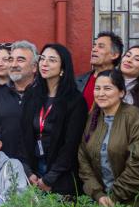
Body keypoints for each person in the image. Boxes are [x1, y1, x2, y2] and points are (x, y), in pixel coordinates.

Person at [77, 68, 139, 207]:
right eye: (97, 88)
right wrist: (98, 194)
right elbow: (83, 159)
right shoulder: (93, 118)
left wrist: (114, 196)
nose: (101, 93)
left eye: (107, 88)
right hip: (101, 201)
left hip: (134, 203)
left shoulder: (135, 118)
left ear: (121, 92)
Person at [21, 43, 89, 197]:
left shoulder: (75, 100)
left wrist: (50, 178)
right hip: (34, 169)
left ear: (63, 68)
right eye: (42, 59)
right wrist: (28, 171)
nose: (44, 63)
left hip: (60, 174)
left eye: (52, 60)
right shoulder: (32, 95)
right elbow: (24, 134)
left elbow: (71, 145)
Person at [0, 39, 37, 166]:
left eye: (20, 60)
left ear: (34, 67)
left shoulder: (43, 94)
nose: (13, 64)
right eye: (11, 60)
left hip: (40, 172)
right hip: (6, 167)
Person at [76, 31, 123, 107]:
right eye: (94, 46)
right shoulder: (78, 81)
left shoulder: (123, 82)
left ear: (114, 55)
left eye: (101, 46)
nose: (94, 49)